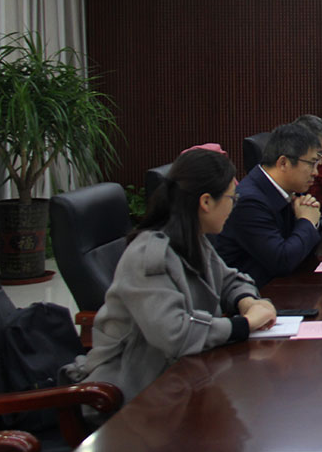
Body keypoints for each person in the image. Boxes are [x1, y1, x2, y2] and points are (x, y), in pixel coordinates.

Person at [65, 147, 277, 402]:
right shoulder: (148, 255)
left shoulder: (193, 238)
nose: (234, 206)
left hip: (179, 378)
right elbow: (174, 333)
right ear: (206, 202)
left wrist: (248, 302)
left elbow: (230, 280)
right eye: (232, 198)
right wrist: (244, 324)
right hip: (130, 394)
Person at [214, 123, 322, 286]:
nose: (316, 172)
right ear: (283, 163)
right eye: (312, 163)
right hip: (258, 292)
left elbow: (306, 241)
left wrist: (311, 220)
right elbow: (282, 261)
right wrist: (307, 221)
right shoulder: (250, 201)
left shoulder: (285, 189)